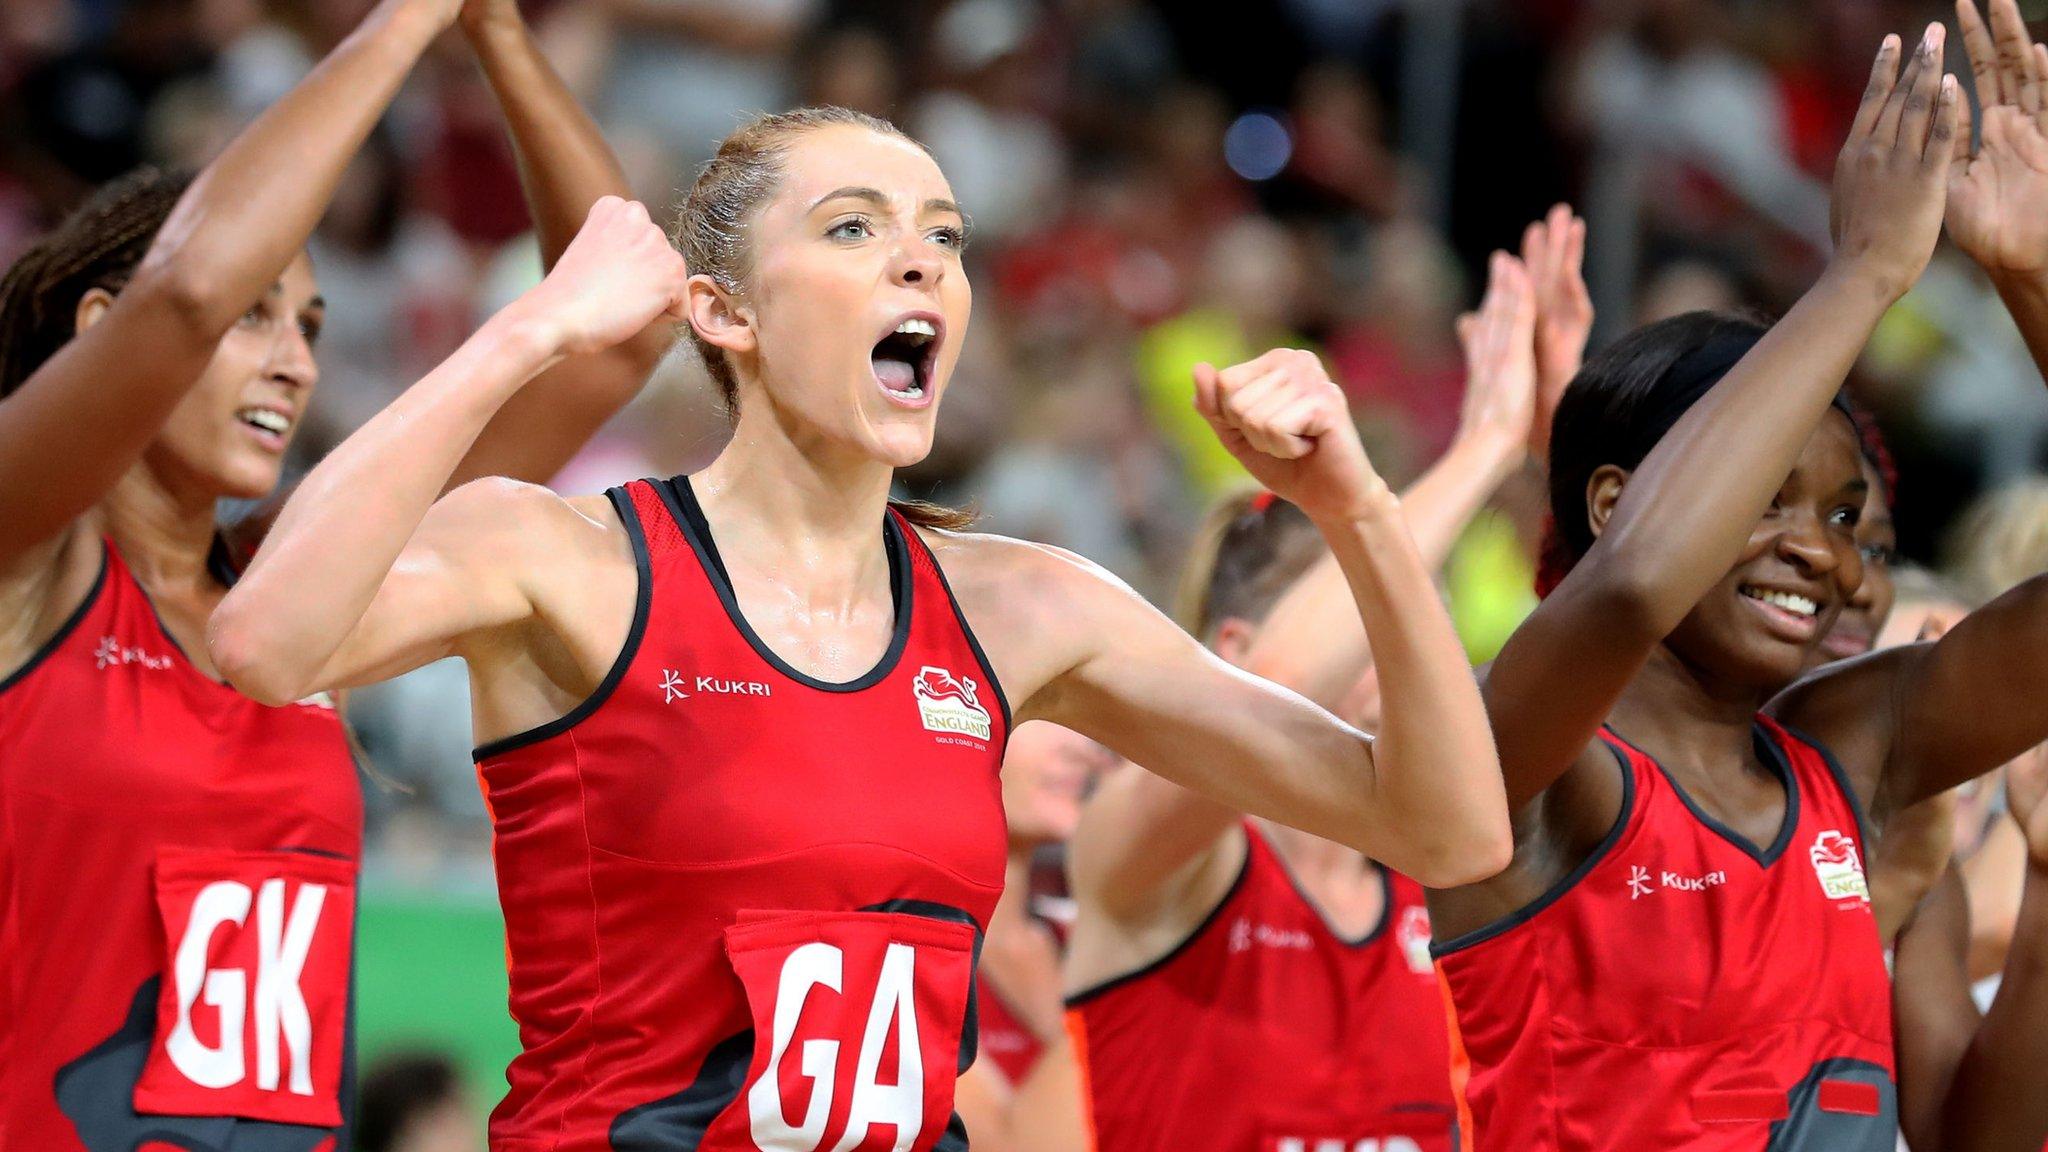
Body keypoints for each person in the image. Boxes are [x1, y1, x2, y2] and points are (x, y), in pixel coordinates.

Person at [206, 105, 1513, 1150]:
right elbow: (263, 640)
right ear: (724, 312)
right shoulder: (567, 555)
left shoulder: (1023, 606)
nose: (919, 260)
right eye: (851, 228)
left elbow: (1447, 828)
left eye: (942, 238)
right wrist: (532, 333)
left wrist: (1361, 512)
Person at [0, 0, 670, 1146]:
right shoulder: (27, 555)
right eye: (261, 319)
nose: (296, 363)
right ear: (101, 324)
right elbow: (188, 289)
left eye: (310, 325)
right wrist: (406, 16)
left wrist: (495, 31)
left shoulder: (302, 599)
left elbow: (619, 339)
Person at [1427, 21, 2048, 1147]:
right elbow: (1626, 594)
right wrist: (1859, 277)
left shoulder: (1848, 750)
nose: (1822, 551)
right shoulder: (1524, 751)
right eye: (1769, 496)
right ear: (1614, 501)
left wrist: (2028, 278)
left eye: (1846, 516)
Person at [1061, 247, 1567, 1152]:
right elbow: (1272, 694)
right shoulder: (1151, 859)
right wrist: (1482, 445)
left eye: (1417, 608)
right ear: (1228, 653)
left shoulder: (1446, 869)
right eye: (1366, 613)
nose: (1414, 643)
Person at [950, 722, 1115, 1152]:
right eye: (1042, 714)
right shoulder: (904, 954)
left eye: (1081, 723)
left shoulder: (1077, 936)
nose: (1082, 748)